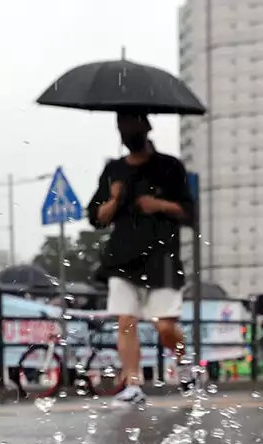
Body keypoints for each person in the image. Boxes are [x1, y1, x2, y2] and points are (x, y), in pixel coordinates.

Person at [87, 112, 196, 406]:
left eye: (132, 123)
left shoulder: (169, 167)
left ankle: (184, 360)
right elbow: (96, 218)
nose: (127, 130)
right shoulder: (113, 170)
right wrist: (113, 200)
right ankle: (133, 384)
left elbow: (190, 213)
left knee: (164, 327)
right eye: (122, 125)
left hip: (163, 259)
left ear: (146, 126)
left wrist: (158, 204)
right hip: (122, 260)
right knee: (126, 320)